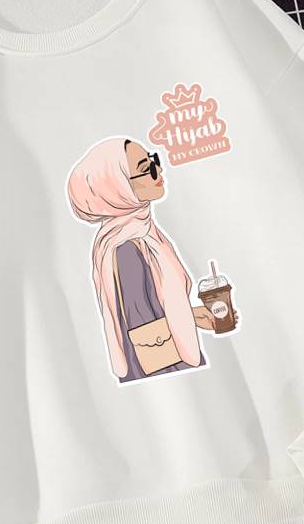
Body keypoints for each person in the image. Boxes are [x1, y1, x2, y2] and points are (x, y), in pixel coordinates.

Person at [66, 136, 224, 385]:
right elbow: (144, 330)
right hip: (164, 371)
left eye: (153, 161)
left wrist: (193, 316)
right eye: (145, 168)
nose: (158, 170)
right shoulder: (126, 248)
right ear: (117, 189)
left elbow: (154, 310)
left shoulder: (143, 234)